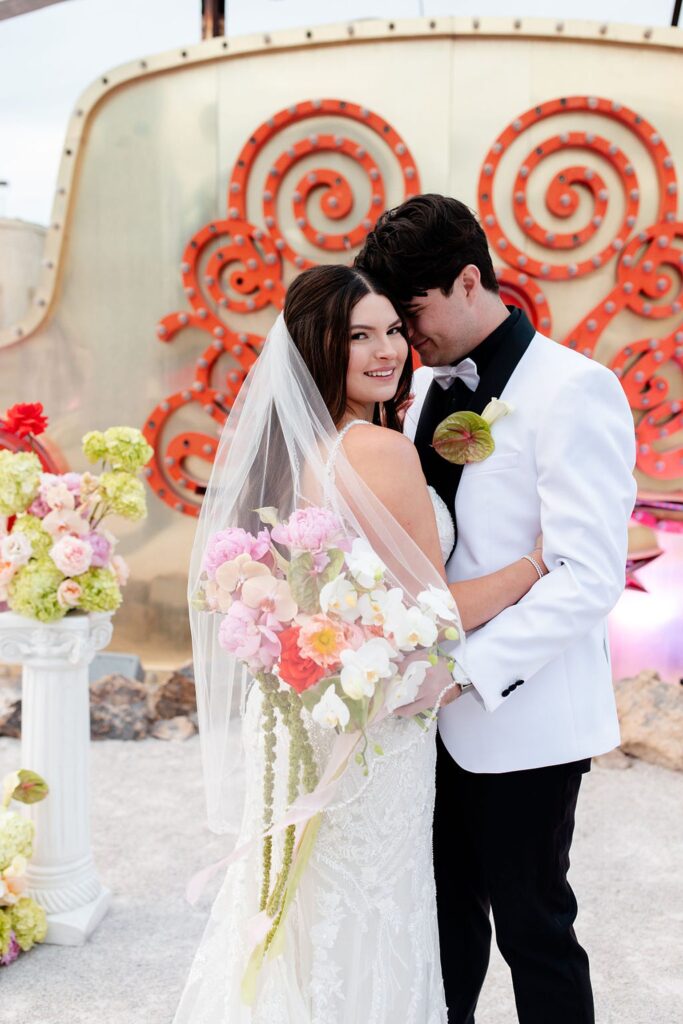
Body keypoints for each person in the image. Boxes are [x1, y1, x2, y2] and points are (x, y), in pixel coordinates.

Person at [175, 264, 548, 1023]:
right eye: (359, 336)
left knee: (297, 901)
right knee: (371, 901)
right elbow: (436, 611)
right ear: (319, 345)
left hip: (300, 710)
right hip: (371, 726)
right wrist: (532, 564)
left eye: (391, 332)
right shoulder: (379, 451)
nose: (387, 351)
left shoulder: (287, 454)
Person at [355, 193, 637, 1024]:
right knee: (439, 926)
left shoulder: (574, 389)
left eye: (410, 315)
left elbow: (587, 575)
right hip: (421, 721)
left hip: (521, 716)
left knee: (534, 929)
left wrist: (461, 674)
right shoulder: (420, 392)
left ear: (468, 280)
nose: (404, 341)